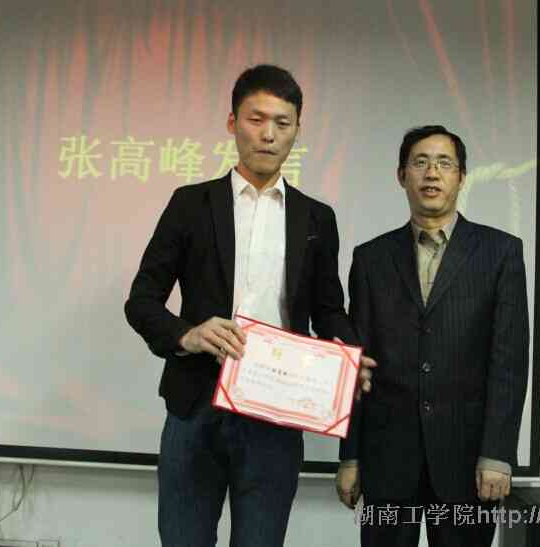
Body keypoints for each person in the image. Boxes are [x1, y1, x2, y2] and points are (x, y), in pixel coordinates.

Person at [125, 64, 373, 547]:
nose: (268, 134)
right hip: (194, 402)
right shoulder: (190, 204)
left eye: (282, 123)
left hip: (276, 412)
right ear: (232, 122)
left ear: (297, 130)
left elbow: (328, 309)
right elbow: (142, 300)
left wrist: (348, 353)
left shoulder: (316, 218)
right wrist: (187, 335)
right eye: (256, 119)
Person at [336, 125, 529, 547]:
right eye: (420, 162)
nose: (432, 173)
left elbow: (509, 362)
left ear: (462, 177)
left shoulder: (500, 252)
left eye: (444, 163)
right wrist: (350, 456)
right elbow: (355, 364)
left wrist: (498, 453)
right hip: (387, 458)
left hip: (468, 460)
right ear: (401, 175)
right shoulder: (371, 258)